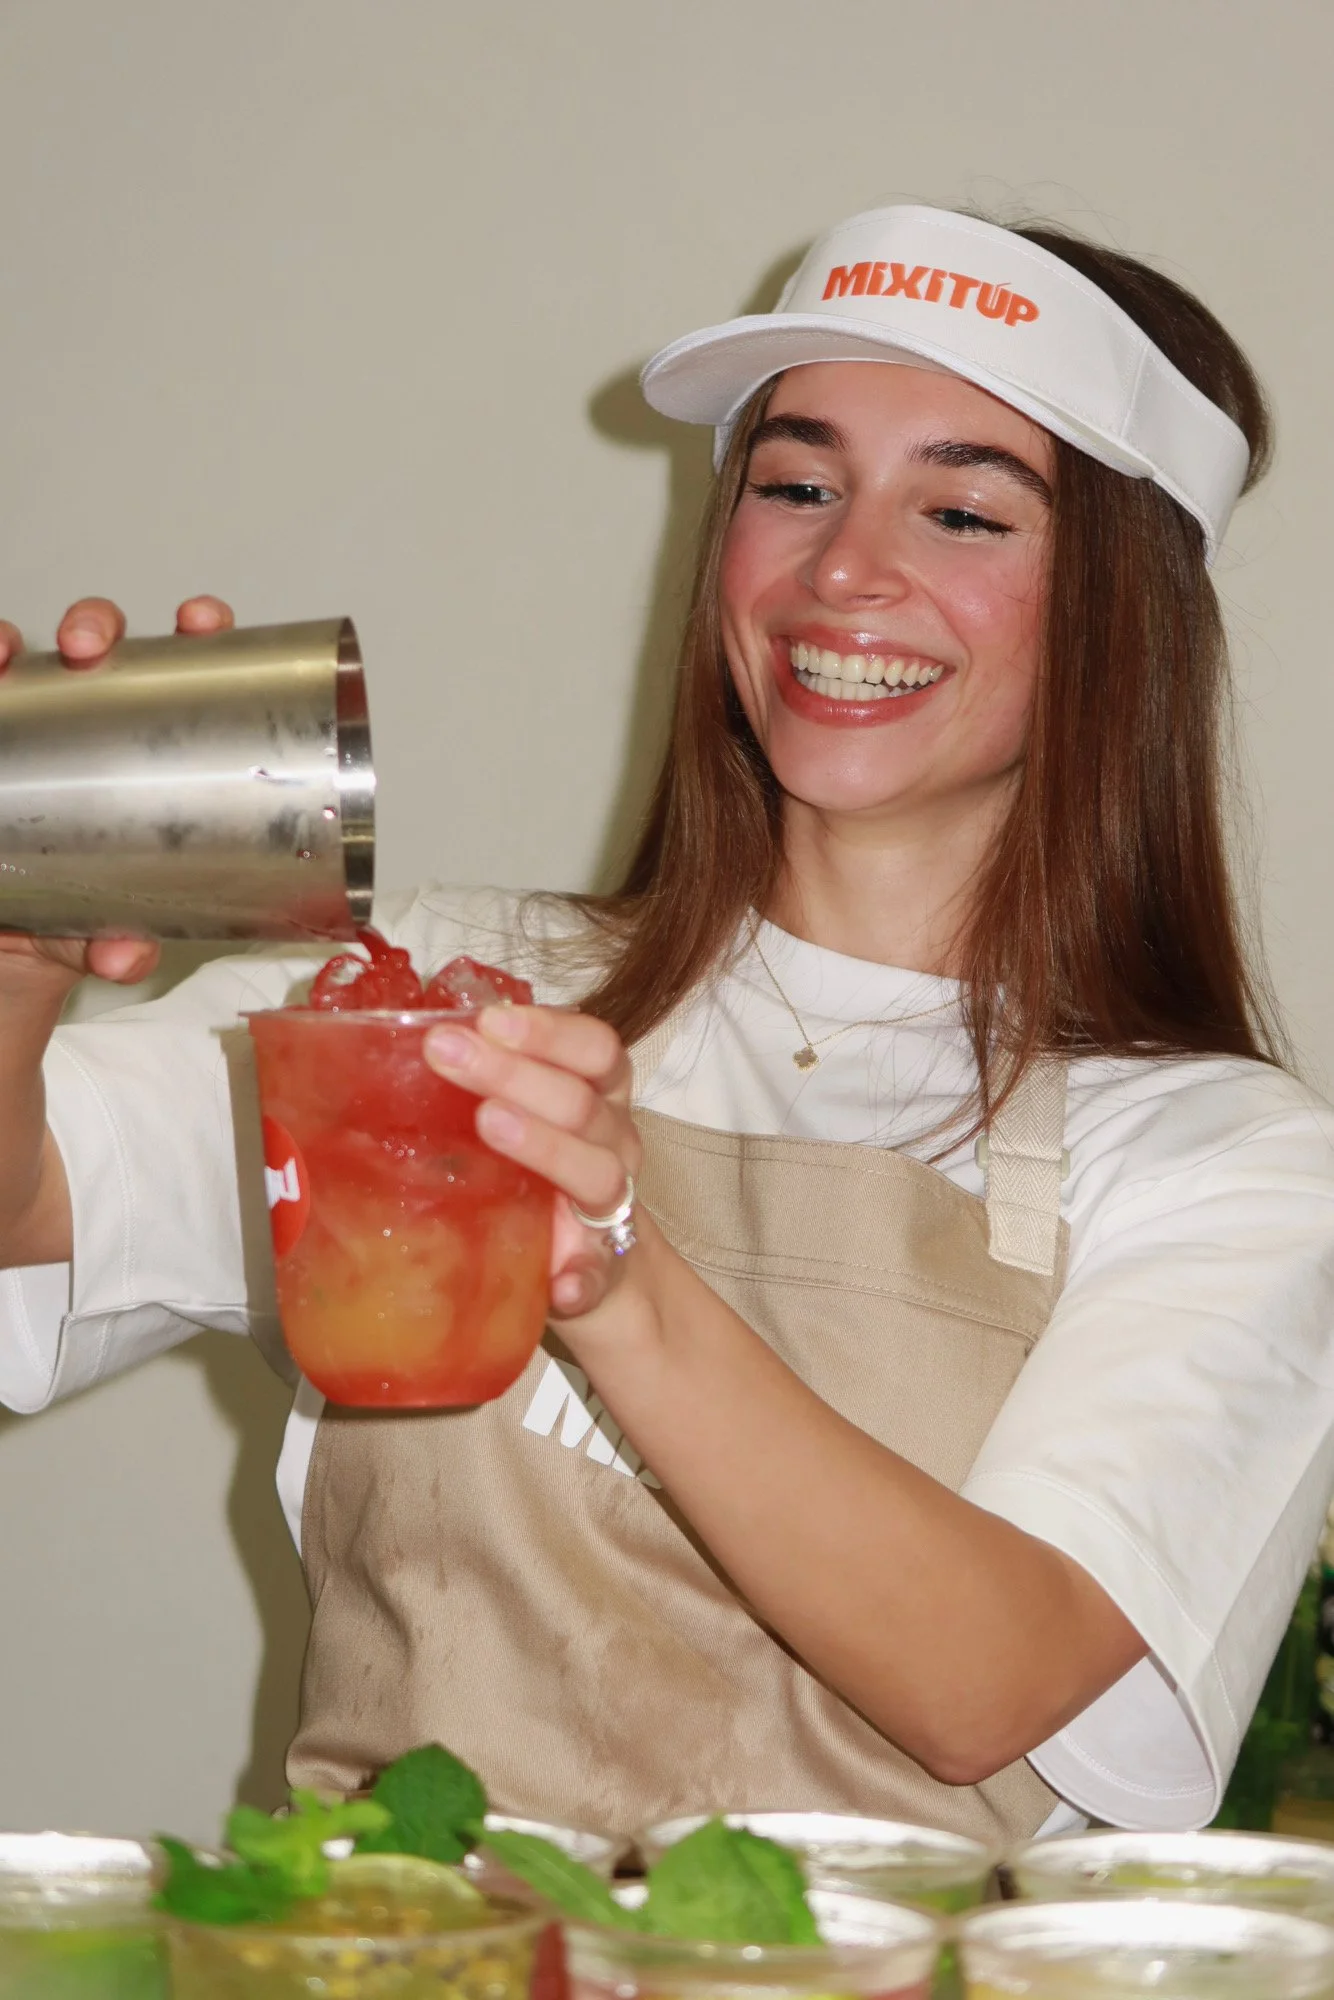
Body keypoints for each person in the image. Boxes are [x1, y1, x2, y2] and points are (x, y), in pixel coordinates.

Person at [2, 202, 1332, 1844]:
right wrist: (15, 967)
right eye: (795, 485)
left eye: (966, 513)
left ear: (1123, 615)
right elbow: (34, 1211)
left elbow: (989, 1683)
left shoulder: (1223, 1158)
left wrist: (610, 1276)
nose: (847, 567)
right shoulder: (440, 984)